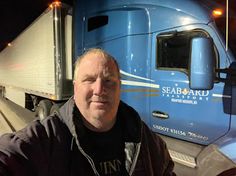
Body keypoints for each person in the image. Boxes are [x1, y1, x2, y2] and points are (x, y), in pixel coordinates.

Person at [0, 48, 175, 176]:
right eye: (89, 80)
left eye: (108, 81)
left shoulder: (148, 141)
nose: (99, 89)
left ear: (119, 88)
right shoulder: (48, 139)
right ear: (75, 88)